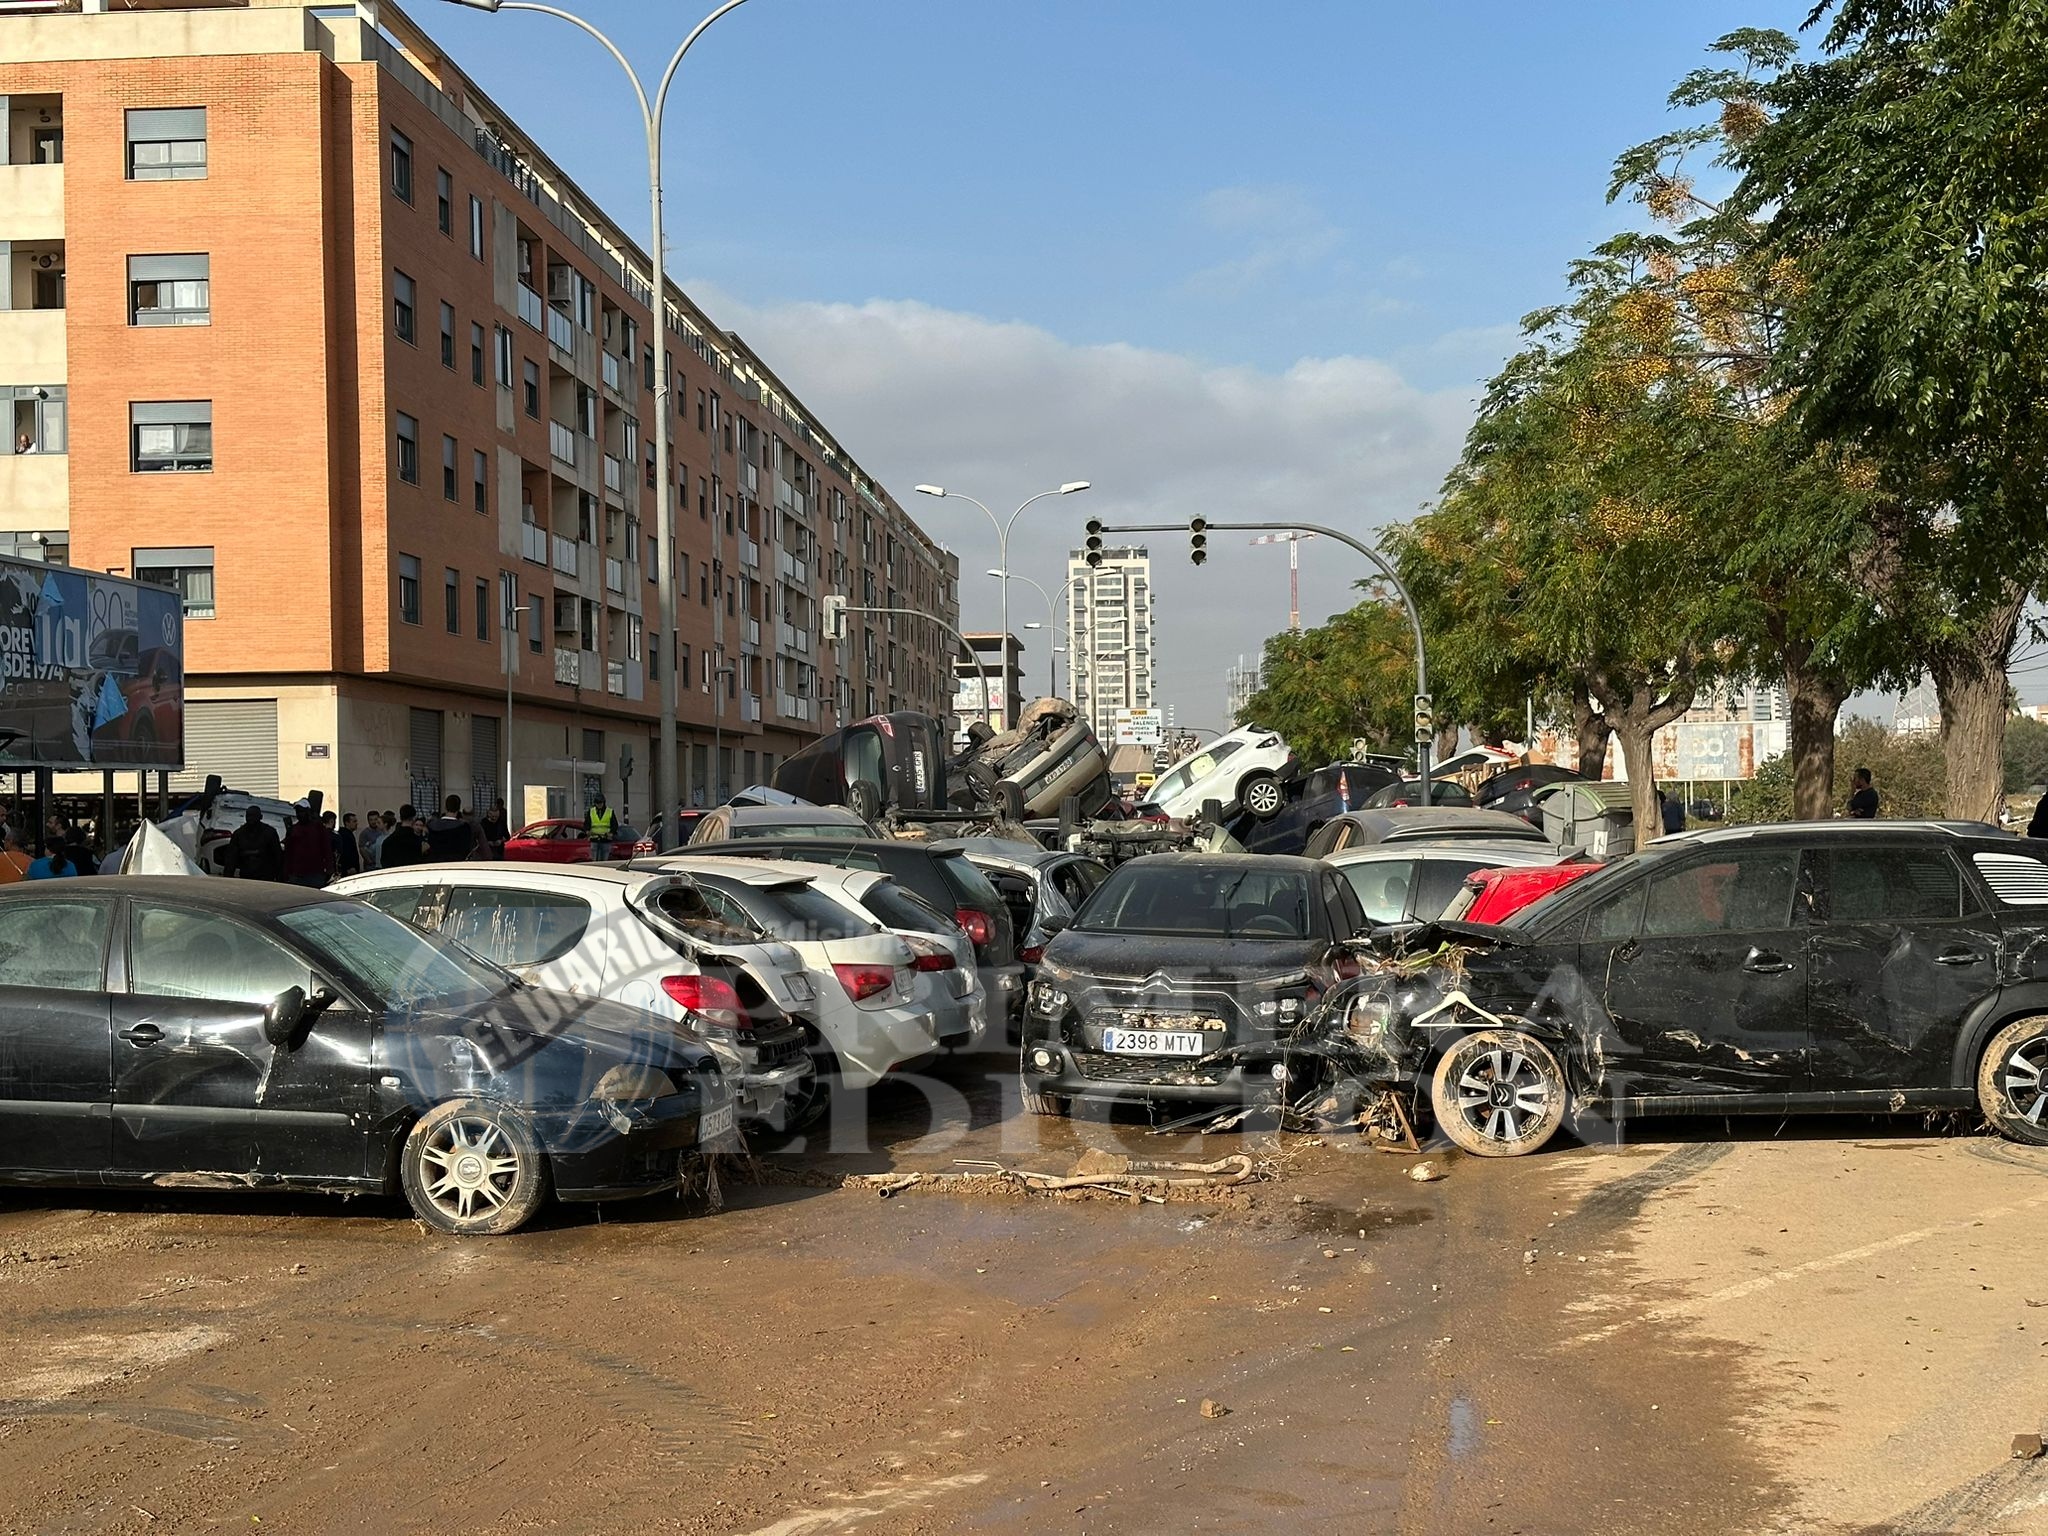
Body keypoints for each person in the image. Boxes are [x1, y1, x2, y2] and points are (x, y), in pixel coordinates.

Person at [282, 799, 335, 888]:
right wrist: (286, 872)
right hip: (297, 875)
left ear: (308, 812)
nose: (300, 814)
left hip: (315, 874)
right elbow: (288, 852)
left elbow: (327, 849)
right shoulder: (293, 829)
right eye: (298, 812)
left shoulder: (318, 828)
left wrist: (329, 869)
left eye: (302, 811)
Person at [226, 806, 284, 881]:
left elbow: (277, 856)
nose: (250, 818)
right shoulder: (238, 834)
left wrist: (280, 878)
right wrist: (228, 877)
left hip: (265, 876)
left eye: (253, 816)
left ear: (260, 817)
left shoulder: (270, 832)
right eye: (248, 816)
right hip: (246, 875)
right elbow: (231, 858)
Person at [426, 794, 476, 861]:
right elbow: (467, 848)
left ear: (445, 807)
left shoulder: (432, 825)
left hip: (435, 862)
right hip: (455, 862)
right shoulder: (464, 827)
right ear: (458, 808)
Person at [585, 791, 616, 862]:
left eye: (600, 803)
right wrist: (587, 831)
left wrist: (611, 833)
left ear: (603, 802)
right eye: (597, 803)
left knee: (604, 861)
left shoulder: (609, 811)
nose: (599, 805)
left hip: (605, 839)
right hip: (594, 839)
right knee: (594, 861)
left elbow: (614, 825)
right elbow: (586, 823)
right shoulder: (591, 811)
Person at [332, 810, 363, 877]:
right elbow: (347, 852)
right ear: (347, 823)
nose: (356, 823)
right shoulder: (345, 836)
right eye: (354, 821)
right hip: (349, 869)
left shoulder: (347, 834)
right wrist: (349, 867)